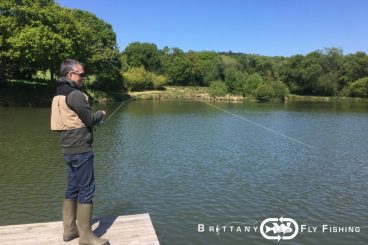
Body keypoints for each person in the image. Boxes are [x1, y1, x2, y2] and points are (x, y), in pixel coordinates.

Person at [51, 59, 109, 245]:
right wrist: (101, 114)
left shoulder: (58, 94)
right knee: (87, 190)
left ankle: (69, 231)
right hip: (81, 148)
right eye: (81, 74)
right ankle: (86, 236)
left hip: (67, 148)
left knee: (73, 187)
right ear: (70, 75)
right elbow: (90, 119)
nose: (84, 78)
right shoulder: (75, 95)